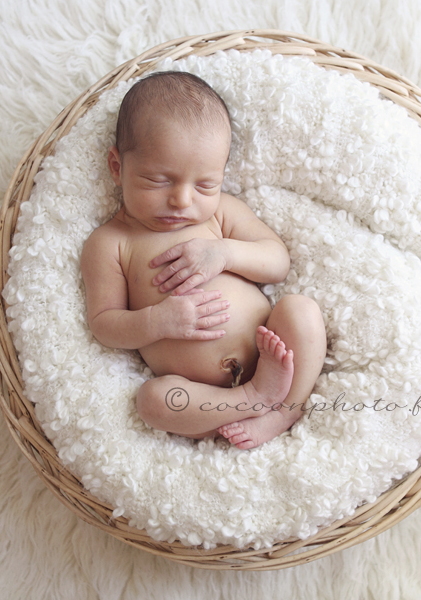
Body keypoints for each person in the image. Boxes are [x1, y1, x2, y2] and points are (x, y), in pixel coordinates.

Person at [80, 72, 326, 450]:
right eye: (158, 180)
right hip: (202, 401)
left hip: (270, 354)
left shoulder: (219, 214)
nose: (182, 200)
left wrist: (224, 252)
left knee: (301, 311)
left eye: (205, 185)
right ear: (117, 168)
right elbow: (105, 325)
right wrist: (157, 321)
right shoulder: (110, 243)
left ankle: (286, 408)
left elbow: (277, 261)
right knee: (152, 401)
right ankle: (251, 401)